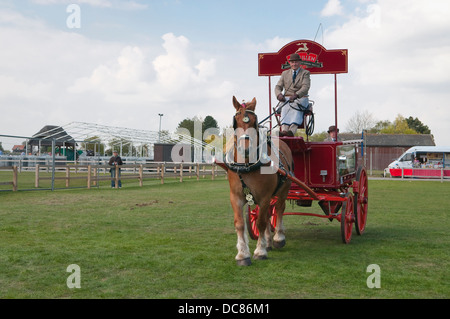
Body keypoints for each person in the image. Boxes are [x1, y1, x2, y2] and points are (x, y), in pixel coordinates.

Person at [275, 53, 311, 137]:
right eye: (292, 62)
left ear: (299, 63)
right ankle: (284, 130)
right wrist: (279, 95)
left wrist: (296, 95)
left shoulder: (305, 73)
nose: (294, 64)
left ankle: (292, 131)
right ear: (290, 63)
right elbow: (278, 86)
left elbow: (306, 87)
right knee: (284, 107)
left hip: (301, 98)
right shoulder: (285, 73)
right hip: (287, 99)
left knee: (296, 106)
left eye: (296, 62)